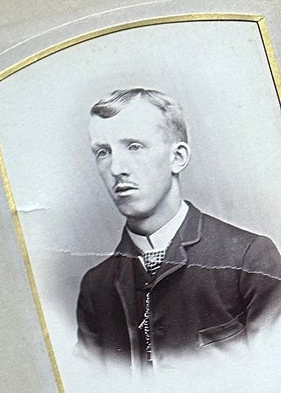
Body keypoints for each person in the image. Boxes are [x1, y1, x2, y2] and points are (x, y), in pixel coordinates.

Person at [75, 87, 281, 368]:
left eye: (134, 146)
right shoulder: (95, 286)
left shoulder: (250, 259)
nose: (116, 168)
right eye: (103, 152)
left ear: (178, 157)